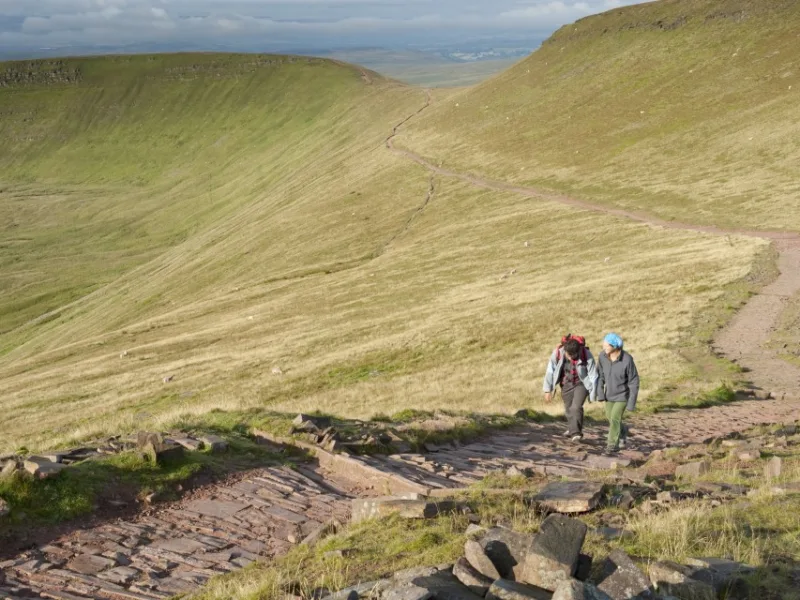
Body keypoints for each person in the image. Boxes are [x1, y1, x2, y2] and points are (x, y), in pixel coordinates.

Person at [543, 334, 598, 442]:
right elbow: (550, 371)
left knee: (576, 407)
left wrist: (592, 393)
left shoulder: (586, 354)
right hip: (566, 384)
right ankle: (572, 429)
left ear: (579, 350)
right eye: (569, 355)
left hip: (582, 383)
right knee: (568, 408)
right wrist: (547, 389)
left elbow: (593, 375)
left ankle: (576, 433)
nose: (571, 357)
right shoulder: (558, 353)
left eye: (574, 355)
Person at [597, 332, 640, 455]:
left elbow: (634, 381)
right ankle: (623, 430)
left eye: (606, 345)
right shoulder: (602, 357)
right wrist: (600, 393)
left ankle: (612, 445)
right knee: (610, 417)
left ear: (615, 346)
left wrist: (631, 403)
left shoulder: (627, 359)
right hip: (609, 395)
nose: (603, 347)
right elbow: (600, 376)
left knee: (615, 418)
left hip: (622, 396)